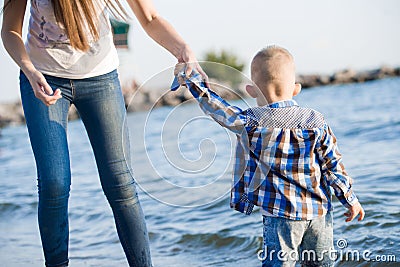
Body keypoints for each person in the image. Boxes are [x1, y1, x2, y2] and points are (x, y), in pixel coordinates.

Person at [1, 0, 206, 266]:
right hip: (42, 78)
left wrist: (183, 49)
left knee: (120, 183)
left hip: (101, 79)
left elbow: (150, 18)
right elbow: (10, 30)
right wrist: (29, 70)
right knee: (54, 184)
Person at [172, 45, 365, 266]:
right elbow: (333, 166)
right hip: (319, 212)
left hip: (280, 215)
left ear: (251, 90)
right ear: (296, 89)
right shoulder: (315, 121)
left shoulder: (250, 122)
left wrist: (192, 79)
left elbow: (215, 106)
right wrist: (350, 200)